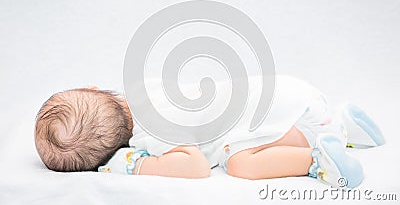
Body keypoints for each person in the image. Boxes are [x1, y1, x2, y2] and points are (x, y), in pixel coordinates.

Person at [34, 76, 385, 188]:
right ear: (96, 89)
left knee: (239, 162)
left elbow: (197, 166)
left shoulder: (147, 138)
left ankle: (317, 159)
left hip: (293, 127)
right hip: (294, 93)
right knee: (241, 127)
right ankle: (343, 123)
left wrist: (139, 165)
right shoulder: (147, 91)